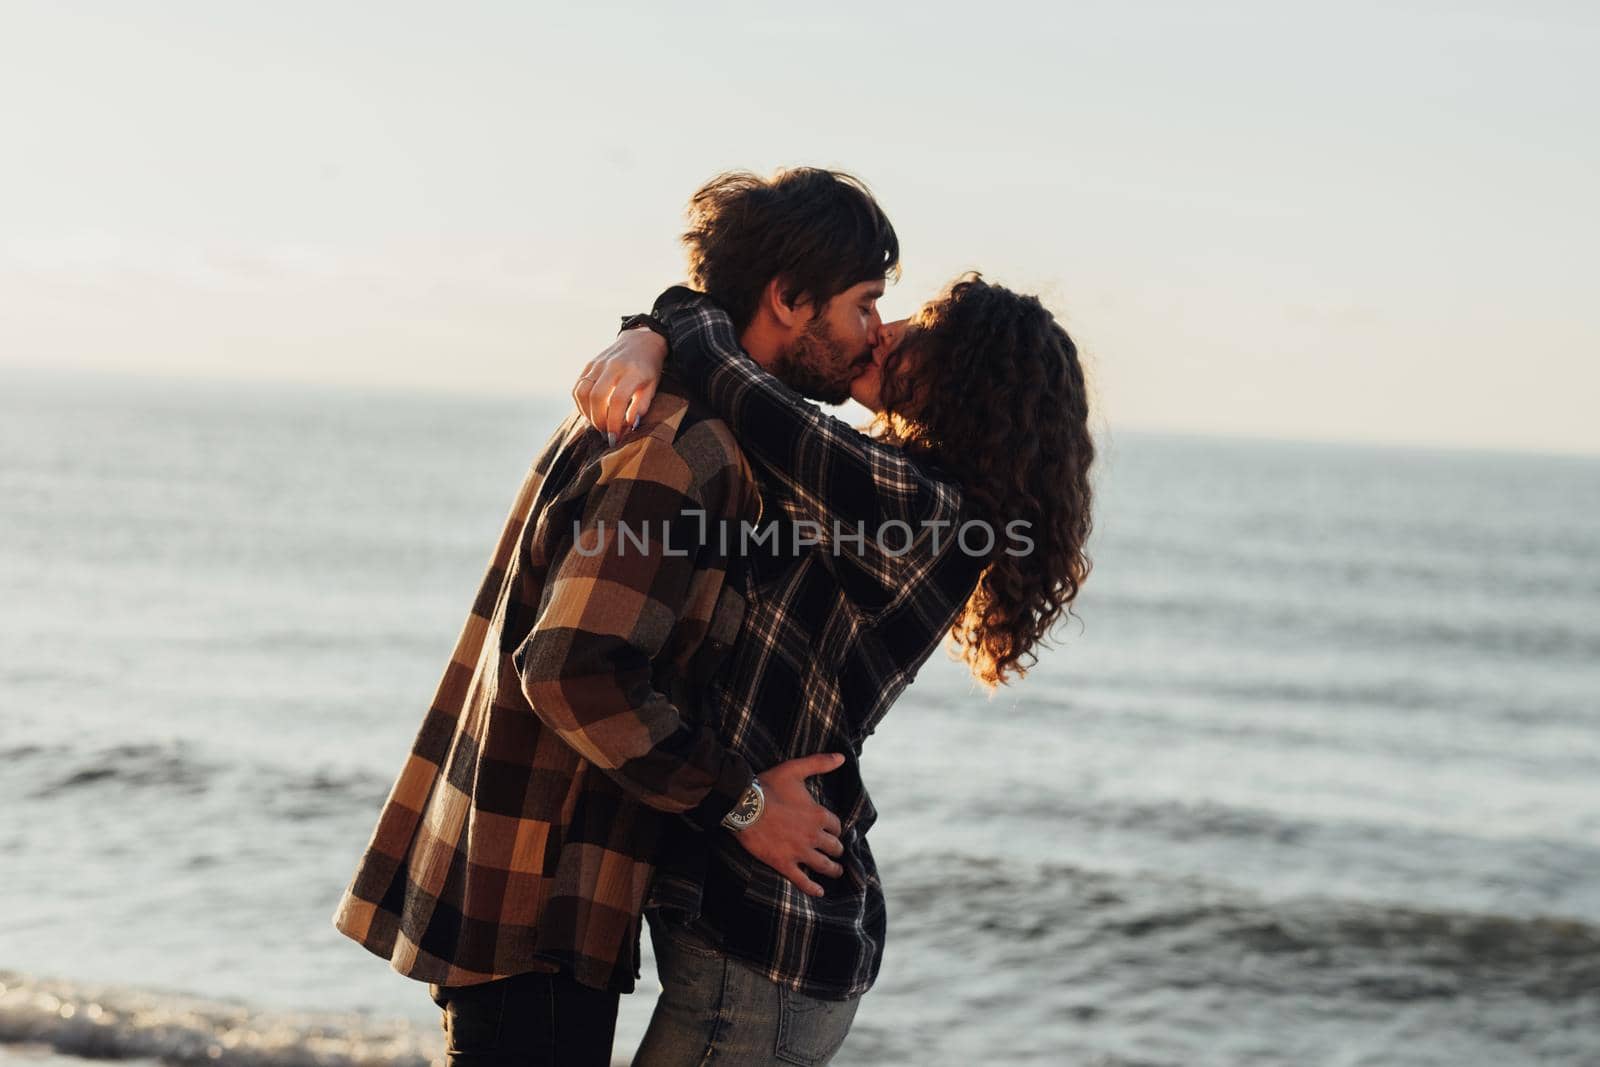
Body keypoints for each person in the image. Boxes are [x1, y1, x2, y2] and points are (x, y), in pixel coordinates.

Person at [327, 168, 900, 1066]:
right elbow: (570, 668)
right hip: (542, 895)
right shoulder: (680, 447)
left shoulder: (681, 416)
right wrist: (744, 804)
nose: (875, 331)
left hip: (534, 885)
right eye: (865, 302)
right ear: (789, 298)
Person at [571, 176, 1096, 1065]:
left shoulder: (924, 512)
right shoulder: (883, 482)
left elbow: (740, 389)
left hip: (773, 939)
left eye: (914, 331)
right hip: (759, 918)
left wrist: (659, 323)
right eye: (880, 312)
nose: (883, 332)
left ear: (966, 376)